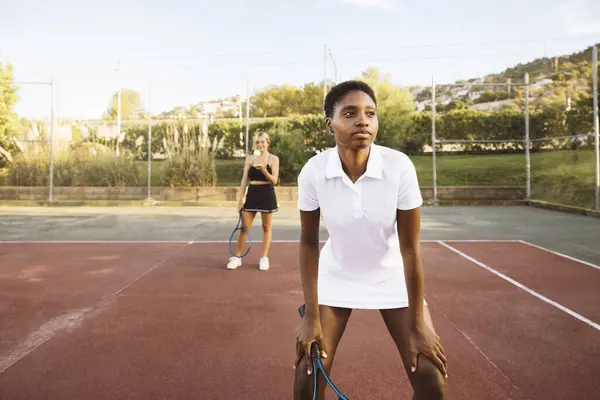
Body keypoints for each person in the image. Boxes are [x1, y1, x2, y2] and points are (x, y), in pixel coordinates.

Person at [293, 80, 447, 399]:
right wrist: (311, 315)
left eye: (370, 113)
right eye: (350, 113)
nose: (363, 120)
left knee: (432, 377)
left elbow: (409, 251)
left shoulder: (399, 167)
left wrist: (419, 325)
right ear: (330, 124)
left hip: (393, 279)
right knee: (307, 377)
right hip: (336, 278)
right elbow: (308, 243)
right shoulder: (313, 171)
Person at [227, 131, 280, 271]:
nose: (260, 144)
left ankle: (264, 258)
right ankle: (237, 257)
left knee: (266, 227)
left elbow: (274, 180)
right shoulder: (250, 159)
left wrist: (264, 170)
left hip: (267, 194)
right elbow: (245, 180)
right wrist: (240, 199)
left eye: (263, 141)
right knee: (245, 227)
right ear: (254, 144)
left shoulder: (273, 159)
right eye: (257, 142)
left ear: (267, 143)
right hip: (252, 193)